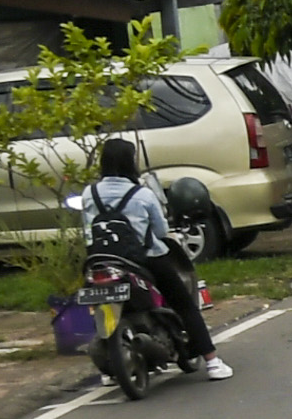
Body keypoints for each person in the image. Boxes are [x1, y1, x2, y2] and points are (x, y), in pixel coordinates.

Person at [85, 136, 225, 378]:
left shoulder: (89, 193)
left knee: (98, 306)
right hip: (143, 260)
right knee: (184, 305)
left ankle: (108, 374)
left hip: (101, 261)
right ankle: (213, 362)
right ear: (130, 163)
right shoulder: (143, 195)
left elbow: (87, 230)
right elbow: (160, 232)